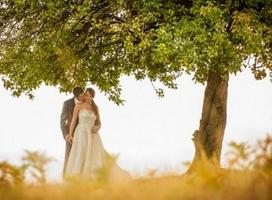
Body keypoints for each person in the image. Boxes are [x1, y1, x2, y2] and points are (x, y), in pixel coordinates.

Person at [64, 88, 131, 181]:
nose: (88, 98)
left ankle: (93, 176)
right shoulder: (78, 106)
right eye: (87, 95)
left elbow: (99, 122)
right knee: (81, 154)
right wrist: (70, 134)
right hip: (81, 133)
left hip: (93, 134)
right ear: (84, 95)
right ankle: (77, 178)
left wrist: (98, 127)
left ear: (93, 97)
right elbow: (73, 121)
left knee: (95, 154)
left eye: (91, 96)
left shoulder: (95, 107)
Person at [60, 87, 85, 177]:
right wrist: (66, 134)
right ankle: (65, 179)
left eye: (83, 95)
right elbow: (63, 120)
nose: (83, 97)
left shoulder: (87, 102)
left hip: (84, 134)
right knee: (69, 157)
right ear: (76, 96)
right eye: (81, 96)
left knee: (83, 156)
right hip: (71, 135)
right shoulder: (67, 104)